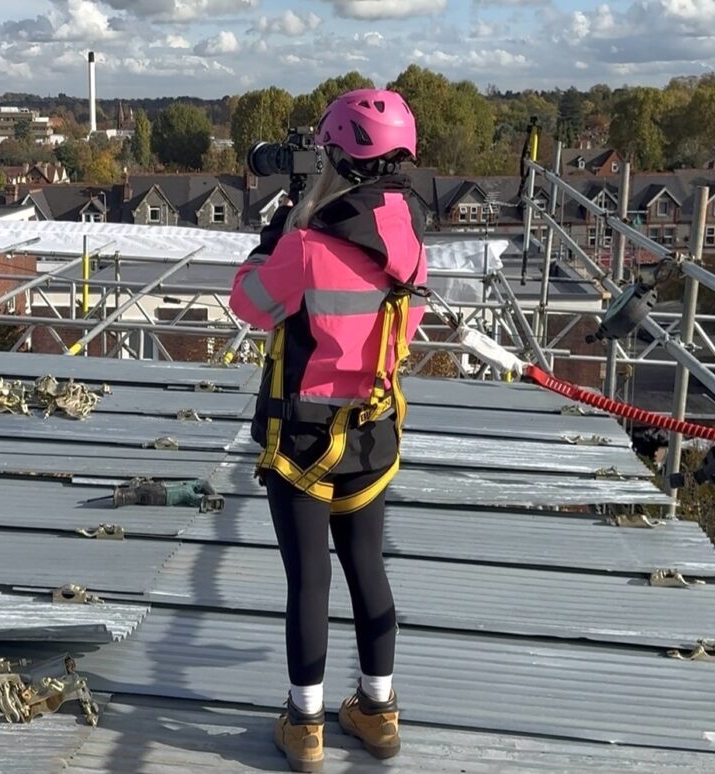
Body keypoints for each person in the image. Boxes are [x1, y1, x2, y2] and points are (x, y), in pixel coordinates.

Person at [229, 89, 427, 772]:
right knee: (367, 568)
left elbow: (249, 305)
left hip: (304, 440)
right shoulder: (408, 240)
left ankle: (306, 724)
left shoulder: (307, 247)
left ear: (338, 155)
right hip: (373, 436)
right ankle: (378, 711)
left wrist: (274, 241)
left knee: (309, 581)